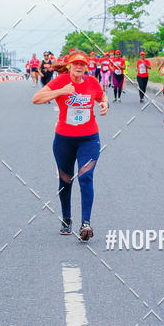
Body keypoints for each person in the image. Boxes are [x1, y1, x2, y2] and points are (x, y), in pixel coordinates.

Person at [32, 50, 108, 241]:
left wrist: (105, 104)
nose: (79, 66)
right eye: (75, 63)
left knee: (86, 176)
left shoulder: (92, 82)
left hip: (89, 138)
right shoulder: (61, 81)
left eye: (82, 64)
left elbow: (101, 96)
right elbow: (36, 99)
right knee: (65, 180)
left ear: (86, 67)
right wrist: (62, 91)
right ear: (69, 66)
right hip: (64, 139)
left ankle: (86, 223)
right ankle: (66, 218)